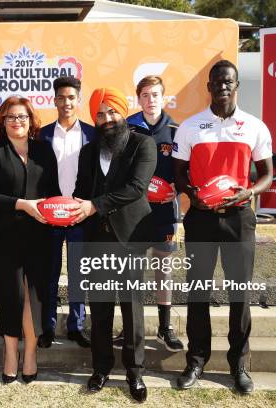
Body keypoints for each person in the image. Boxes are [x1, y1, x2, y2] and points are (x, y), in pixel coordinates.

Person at [172, 60, 273, 394]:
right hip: (201, 218)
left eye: (228, 81)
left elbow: (268, 173)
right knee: (198, 291)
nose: (222, 86)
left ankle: (238, 364)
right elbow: (179, 173)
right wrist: (191, 195)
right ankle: (196, 360)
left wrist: (251, 191)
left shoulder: (255, 126)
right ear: (209, 86)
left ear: (236, 84)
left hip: (239, 218)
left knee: (239, 295)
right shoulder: (190, 127)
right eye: (217, 81)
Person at [72, 87, 156, 402]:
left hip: (130, 239)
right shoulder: (88, 152)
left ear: (123, 113)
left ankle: (135, 374)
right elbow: (82, 189)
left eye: (112, 112)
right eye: (100, 114)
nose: (107, 119)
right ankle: (101, 368)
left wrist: (94, 205)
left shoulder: (142, 144)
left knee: (132, 308)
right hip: (97, 239)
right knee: (101, 307)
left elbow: (136, 188)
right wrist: (71, 209)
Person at [0, 96, 60, 384]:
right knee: (10, 296)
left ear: (31, 120)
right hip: (4, 237)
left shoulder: (44, 151)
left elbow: (54, 192)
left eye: (22, 116)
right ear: (3, 120)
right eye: (11, 116)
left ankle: (31, 354)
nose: (17, 121)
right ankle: (10, 353)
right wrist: (21, 204)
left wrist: (55, 210)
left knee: (34, 298)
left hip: (40, 236)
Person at [116, 75, 184, 352]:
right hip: (132, 212)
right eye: (145, 95)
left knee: (163, 268)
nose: (150, 100)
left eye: (155, 94)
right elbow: (116, 169)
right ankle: (129, 328)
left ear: (163, 97)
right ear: (138, 98)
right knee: (131, 270)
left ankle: (164, 328)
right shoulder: (127, 127)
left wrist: (177, 189)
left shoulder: (177, 130)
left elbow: (185, 168)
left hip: (164, 210)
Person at [38, 76, 95, 349]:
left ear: (78, 100)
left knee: (78, 273)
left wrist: (89, 204)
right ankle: (47, 327)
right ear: (54, 100)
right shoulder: (43, 134)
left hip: (80, 213)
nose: (66, 102)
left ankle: (76, 325)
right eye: (61, 97)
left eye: (71, 97)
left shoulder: (92, 134)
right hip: (50, 214)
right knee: (48, 271)